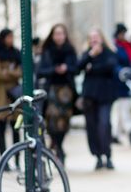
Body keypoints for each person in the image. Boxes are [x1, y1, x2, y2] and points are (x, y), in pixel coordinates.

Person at [38, 24, 78, 164]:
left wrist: (67, 68)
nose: (59, 36)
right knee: (52, 120)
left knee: (65, 121)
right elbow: (40, 71)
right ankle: (58, 147)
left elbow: (76, 68)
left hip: (67, 90)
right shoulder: (47, 50)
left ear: (65, 35)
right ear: (52, 35)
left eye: (61, 33)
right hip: (52, 89)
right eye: (56, 33)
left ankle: (58, 146)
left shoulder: (70, 50)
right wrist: (54, 70)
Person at [78, 29, 117, 170]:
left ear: (102, 38)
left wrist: (92, 68)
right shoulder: (86, 54)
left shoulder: (109, 52)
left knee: (104, 124)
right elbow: (77, 67)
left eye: (96, 37)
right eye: (91, 37)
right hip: (89, 96)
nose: (94, 40)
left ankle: (108, 155)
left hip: (105, 96)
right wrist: (89, 57)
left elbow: (110, 67)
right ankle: (98, 156)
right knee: (92, 126)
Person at [0, 29, 22, 167]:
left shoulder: (16, 52)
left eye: (12, 37)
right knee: (1, 128)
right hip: (0, 94)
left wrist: (7, 72)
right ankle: (5, 162)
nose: (11, 39)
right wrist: (12, 72)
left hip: (14, 93)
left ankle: (17, 159)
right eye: (8, 37)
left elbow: (20, 71)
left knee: (16, 127)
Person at [112, 23, 131, 144]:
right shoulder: (115, 47)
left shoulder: (129, 46)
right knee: (120, 110)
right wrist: (121, 71)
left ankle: (119, 133)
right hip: (119, 83)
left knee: (123, 109)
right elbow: (114, 64)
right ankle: (125, 131)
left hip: (129, 82)